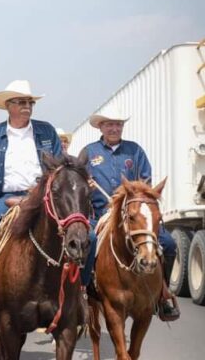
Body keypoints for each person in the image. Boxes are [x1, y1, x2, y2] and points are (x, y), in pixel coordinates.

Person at [80, 107, 180, 320]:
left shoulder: (135, 151)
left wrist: (134, 198)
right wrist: (85, 183)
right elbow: (78, 184)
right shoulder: (89, 152)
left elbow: (146, 182)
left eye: (118, 124)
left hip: (133, 216)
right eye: (109, 124)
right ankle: (83, 291)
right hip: (100, 215)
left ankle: (163, 294)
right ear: (101, 127)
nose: (114, 128)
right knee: (87, 243)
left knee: (169, 244)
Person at [0, 80, 62, 290]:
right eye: (20, 102)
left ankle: (79, 292)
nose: (27, 106)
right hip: (6, 198)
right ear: (8, 106)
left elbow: (59, 169)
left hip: (41, 196)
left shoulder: (46, 131)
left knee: (83, 237)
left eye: (29, 102)